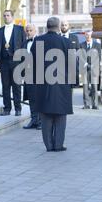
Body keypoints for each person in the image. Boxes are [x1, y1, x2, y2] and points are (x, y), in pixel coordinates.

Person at [30, 17, 73, 151]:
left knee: (45, 115)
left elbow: (31, 63)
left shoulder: (38, 41)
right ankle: (58, 144)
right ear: (59, 27)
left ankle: (48, 145)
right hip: (62, 84)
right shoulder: (66, 42)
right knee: (60, 116)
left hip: (42, 84)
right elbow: (72, 65)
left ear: (47, 26)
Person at [0, 10, 26, 116]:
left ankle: (18, 108)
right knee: (5, 86)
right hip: (4, 61)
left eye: (8, 15)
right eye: (4, 15)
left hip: (16, 61)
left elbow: (23, 46)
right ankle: (7, 108)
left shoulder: (20, 29)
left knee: (16, 85)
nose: (6, 17)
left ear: (12, 17)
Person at [22, 24, 41, 130]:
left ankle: (41, 121)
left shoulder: (40, 41)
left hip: (39, 75)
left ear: (35, 30)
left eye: (31, 30)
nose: (29, 32)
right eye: (27, 30)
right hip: (28, 75)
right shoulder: (24, 43)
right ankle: (33, 120)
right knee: (31, 98)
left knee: (40, 98)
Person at [79, 30, 101, 110]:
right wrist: (86, 64)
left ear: (91, 35)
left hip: (94, 69)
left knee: (94, 87)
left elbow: (98, 57)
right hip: (84, 69)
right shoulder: (81, 45)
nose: (88, 36)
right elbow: (80, 57)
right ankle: (86, 105)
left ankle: (95, 105)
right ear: (84, 35)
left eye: (89, 35)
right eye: (86, 35)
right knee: (85, 87)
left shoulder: (97, 45)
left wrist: (93, 65)